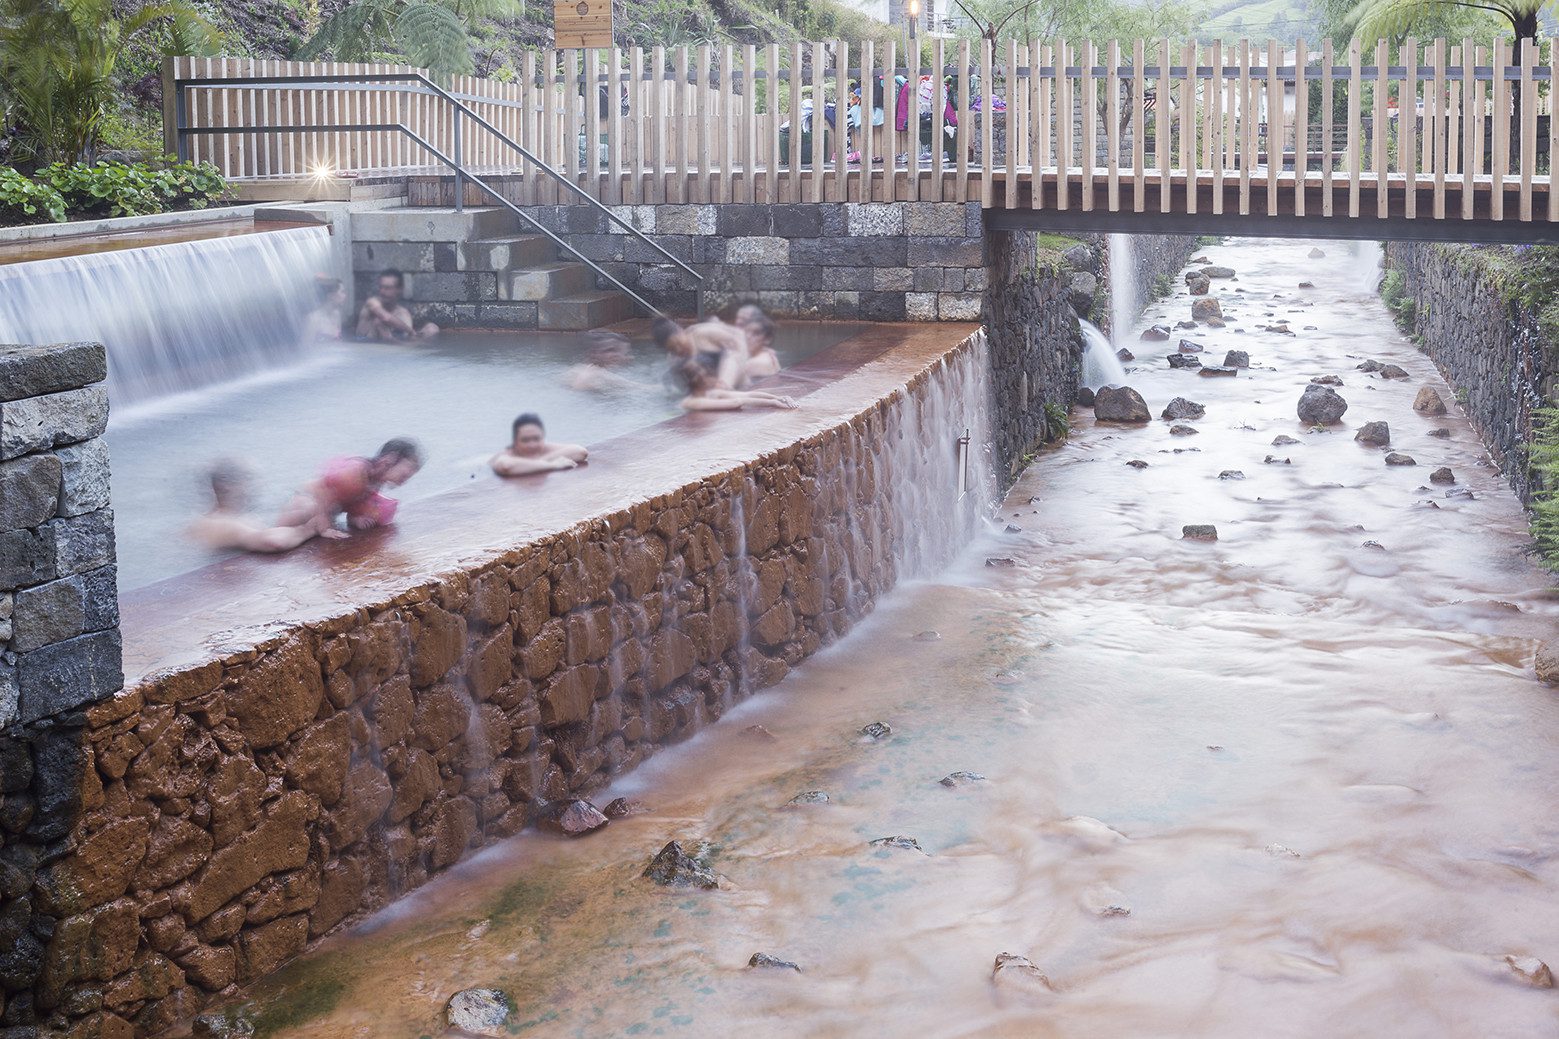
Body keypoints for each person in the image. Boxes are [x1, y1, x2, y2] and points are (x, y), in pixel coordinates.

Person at [276, 438, 424, 534]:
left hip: (326, 507)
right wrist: (325, 528)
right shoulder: (356, 473)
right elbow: (322, 491)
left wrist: (354, 517)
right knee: (289, 525)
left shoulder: (376, 480)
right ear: (388, 460)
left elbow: (352, 500)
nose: (405, 480)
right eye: (405, 474)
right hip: (307, 499)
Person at [188, 460, 337, 553]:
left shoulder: (205, 522)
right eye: (247, 480)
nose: (253, 487)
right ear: (226, 488)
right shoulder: (227, 524)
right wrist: (310, 529)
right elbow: (272, 541)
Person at [652, 316, 751, 388]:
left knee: (731, 356)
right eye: (672, 350)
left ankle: (723, 389)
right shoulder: (674, 360)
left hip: (738, 376)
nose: (678, 350)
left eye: (678, 343)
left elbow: (740, 340)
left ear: (681, 331)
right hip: (714, 387)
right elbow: (681, 388)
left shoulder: (703, 333)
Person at [673, 358, 797, 412]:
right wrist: (773, 403)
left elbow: (747, 394)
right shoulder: (691, 402)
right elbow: (736, 402)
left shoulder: (710, 393)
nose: (703, 374)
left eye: (701, 370)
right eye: (698, 373)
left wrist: (778, 398)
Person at [491, 413, 589, 476]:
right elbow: (506, 467)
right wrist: (553, 465)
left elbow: (580, 452)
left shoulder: (544, 447)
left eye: (536, 439)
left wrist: (529, 464)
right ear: (515, 441)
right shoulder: (507, 453)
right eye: (525, 440)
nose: (532, 445)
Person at [357, 269, 440, 342]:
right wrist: (410, 331)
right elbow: (385, 317)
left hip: (388, 353)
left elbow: (407, 339)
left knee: (432, 328)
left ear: (399, 290)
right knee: (378, 322)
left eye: (387, 288)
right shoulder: (372, 302)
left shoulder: (403, 314)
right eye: (381, 287)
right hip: (365, 348)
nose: (382, 291)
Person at [562, 331, 647, 393]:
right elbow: (644, 390)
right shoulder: (601, 376)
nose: (621, 356)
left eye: (626, 352)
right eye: (612, 350)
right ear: (594, 352)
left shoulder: (575, 370)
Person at [733, 304, 781, 379]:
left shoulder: (753, 363)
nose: (748, 337)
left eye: (744, 320)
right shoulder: (770, 355)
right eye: (747, 331)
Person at [302, 276, 348, 343]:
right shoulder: (313, 319)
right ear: (330, 296)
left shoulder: (336, 314)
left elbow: (338, 342)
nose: (345, 296)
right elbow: (305, 349)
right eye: (342, 292)